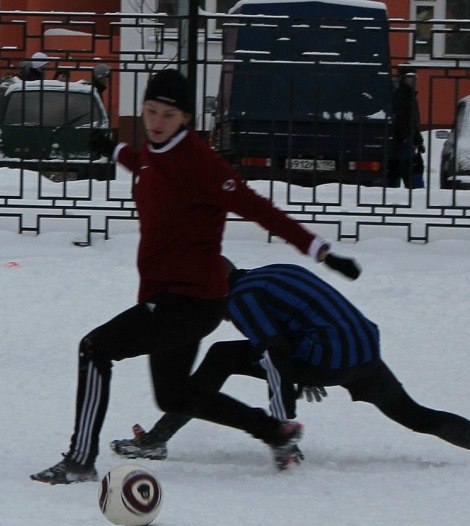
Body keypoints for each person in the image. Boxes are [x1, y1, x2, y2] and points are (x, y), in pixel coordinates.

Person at [30, 69, 362, 485]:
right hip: (169, 295)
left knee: (95, 349)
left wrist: (321, 251)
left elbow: (257, 207)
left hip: (190, 300)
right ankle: (274, 431)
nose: (155, 122)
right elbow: (149, 167)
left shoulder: (203, 164)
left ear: (185, 117)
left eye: (167, 115)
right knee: (172, 395)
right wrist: (115, 151)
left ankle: (80, 460)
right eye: (150, 111)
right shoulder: (156, 148)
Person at [111, 261, 470, 470]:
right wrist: (303, 369)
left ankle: (156, 440)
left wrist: (283, 429)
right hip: (364, 351)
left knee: (221, 355)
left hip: (328, 356)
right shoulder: (273, 273)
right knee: (414, 415)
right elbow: (307, 320)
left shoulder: (242, 299)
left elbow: (276, 358)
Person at [388, 67, 425, 188]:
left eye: (416, 78)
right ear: (404, 78)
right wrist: (409, 139)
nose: (415, 81)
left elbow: (412, 121)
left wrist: (417, 140)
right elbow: (404, 120)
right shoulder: (403, 95)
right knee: (410, 171)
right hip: (403, 142)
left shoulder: (407, 94)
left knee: (395, 174)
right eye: (412, 78)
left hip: (403, 141)